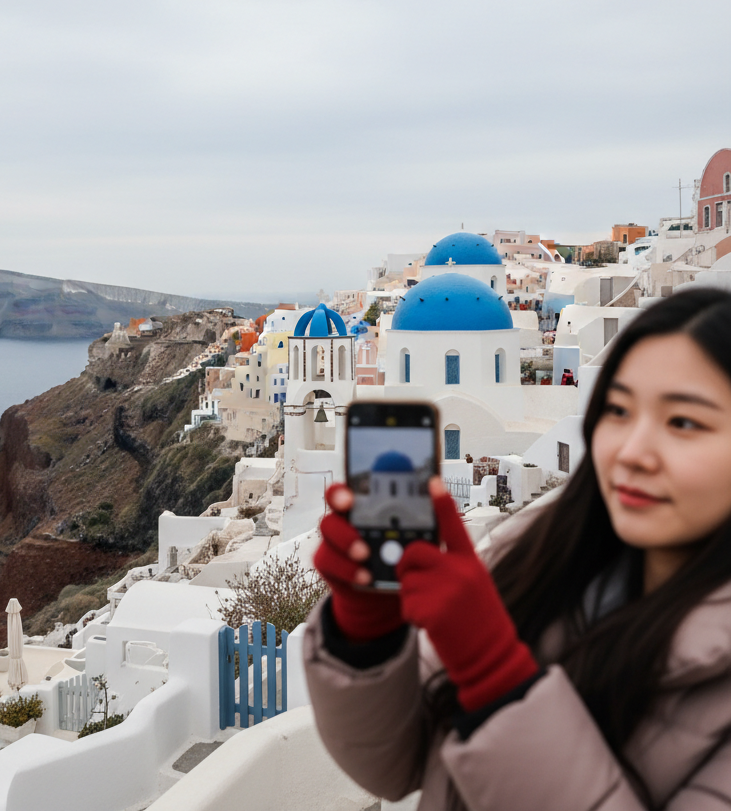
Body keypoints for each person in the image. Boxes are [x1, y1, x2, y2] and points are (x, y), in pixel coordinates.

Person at [305, 288, 731, 811]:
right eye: (617, 409)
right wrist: (366, 634)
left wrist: (496, 678)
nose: (633, 451)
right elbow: (394, 768)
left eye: (683, 422)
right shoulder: (534, 542)